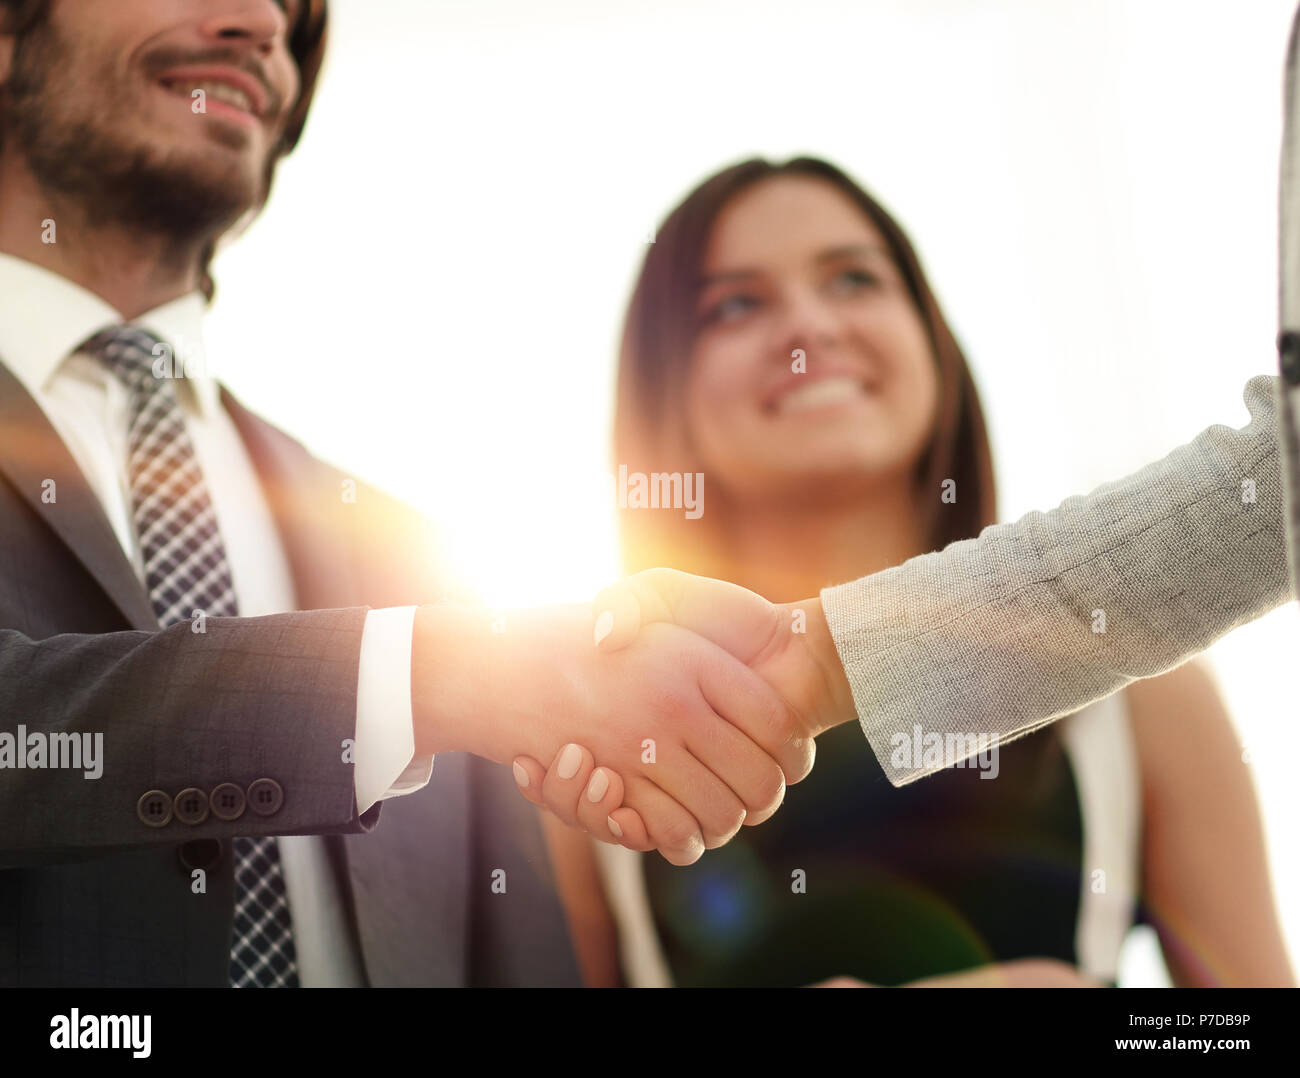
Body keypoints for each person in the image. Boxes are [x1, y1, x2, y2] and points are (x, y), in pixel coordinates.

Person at [0, 0, 808, 986]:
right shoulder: (438, 652)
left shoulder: (417, 567)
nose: (260, 24)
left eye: (293, 17)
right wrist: (425, 679)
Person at [512, 156, 1295, 987]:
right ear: (663, 384)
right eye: (734, 305)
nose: (809, 330)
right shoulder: (599, 728)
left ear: (931, 338)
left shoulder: (1147, 700)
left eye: (854, 280)